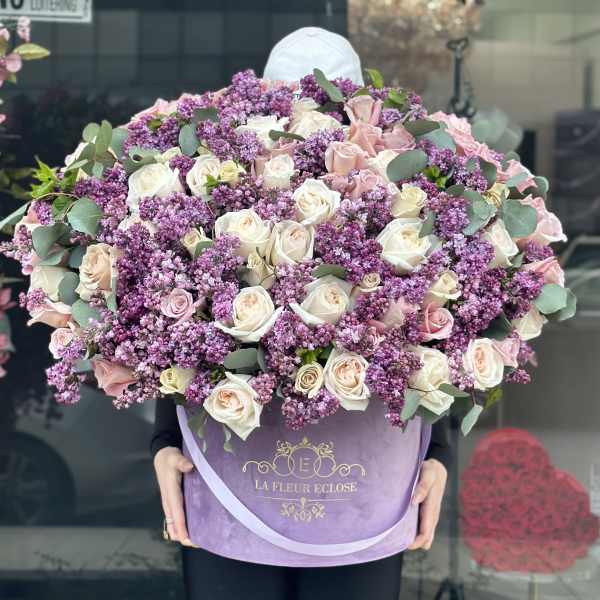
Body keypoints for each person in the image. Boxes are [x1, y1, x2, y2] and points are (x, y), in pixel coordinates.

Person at [152, 27, 452, 600]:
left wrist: (436, 454)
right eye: (291, 109)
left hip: (362, 495)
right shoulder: (220, 187)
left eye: (327, 111)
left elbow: (439, 335)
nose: (306, 126)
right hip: (235, 491)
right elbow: (179, 329)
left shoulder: (401, 193)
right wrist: (165, 443)